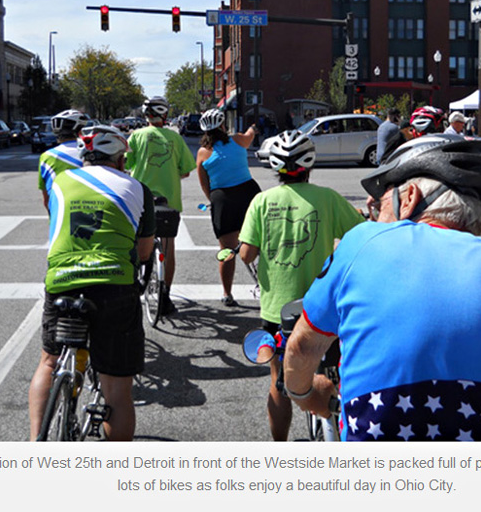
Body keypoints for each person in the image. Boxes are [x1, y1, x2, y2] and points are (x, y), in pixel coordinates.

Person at [283, 134, 481, 442]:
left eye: (381, 203)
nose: (376, 215)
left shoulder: (364, 242)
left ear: (408, 198)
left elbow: (303, 347)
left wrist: (303, 394)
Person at [28, 125, 155, 441]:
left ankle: (35, 444)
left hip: (62, 281)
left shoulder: (59, 181)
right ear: (120, 159)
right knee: (116, 388)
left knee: (49, 361)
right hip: (113, 286)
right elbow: (143, 252)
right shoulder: (137, 188)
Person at [238, 130, 365, 441]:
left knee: (279, 380)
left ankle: (280, 447)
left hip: (278, 309)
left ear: (276, 168)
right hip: (322, 306)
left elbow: (246, 253)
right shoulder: (330, 198)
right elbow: (361, 236)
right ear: (310, 165)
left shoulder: (262, 201)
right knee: (333, 369)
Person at [125, 96, 196, 315]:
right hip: (169, 201)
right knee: (168, 248)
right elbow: (185, 170)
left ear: (146, 116)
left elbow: (126, 164)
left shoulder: (135, 136)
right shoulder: (175, 138)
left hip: (140, 200)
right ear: (164, 115)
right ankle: (165, 296)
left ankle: (132, 292)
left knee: (135, 244)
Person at [195, 109, 261, 306]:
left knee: (227, 250)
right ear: (223, 126)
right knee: (261, 242)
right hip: (248, 193)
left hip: (222, 198)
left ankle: (227, 293)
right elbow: (250, 135)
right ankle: (267, 285)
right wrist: (252, 128)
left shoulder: (203, 152)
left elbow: (204, 184)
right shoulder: (238, 140)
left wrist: (216, 200)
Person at [37, 109, 88, 210]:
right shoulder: (89, 153)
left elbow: (46, 200)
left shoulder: (46, 156)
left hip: (59, 213)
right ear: (80, 131)